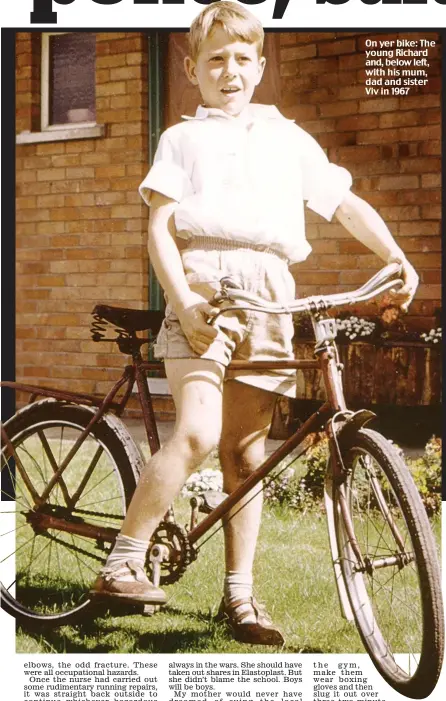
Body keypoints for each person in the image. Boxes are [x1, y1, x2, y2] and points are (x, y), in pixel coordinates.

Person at [91, 1, 418, 645]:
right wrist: (182, 301)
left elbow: (343, 204)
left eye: (242, 58)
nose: (230, 70)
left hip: (271, 290)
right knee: (197, 433)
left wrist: (395, 256)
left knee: (247, 455)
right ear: (192, 69)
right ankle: (123, 560)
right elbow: (159, 227)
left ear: (260, 65)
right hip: (204, 288)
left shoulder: (287, 138)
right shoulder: (183, 138)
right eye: (215, 59)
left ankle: (238, 599)